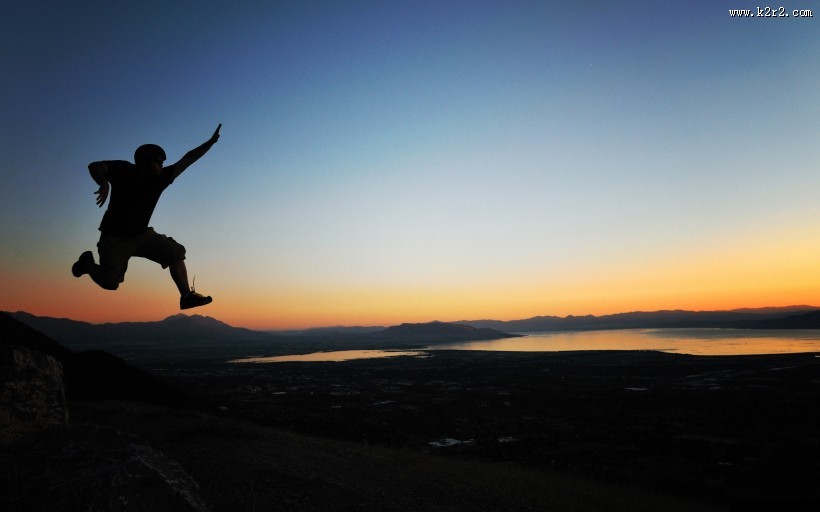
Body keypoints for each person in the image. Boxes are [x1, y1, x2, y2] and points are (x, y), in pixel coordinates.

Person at [72, 124, 221, 310]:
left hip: (142, 235)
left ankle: (186, 297)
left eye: (162, 163)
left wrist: (210, 143)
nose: (162, 166)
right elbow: (95, 166)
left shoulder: (161, 178)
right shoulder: (124, 170)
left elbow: (188, 159)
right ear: (144, 161)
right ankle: (87, 265)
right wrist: (104, 183)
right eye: (158, 162)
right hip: (114, 239)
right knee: (110, 282)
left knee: (175, 253)